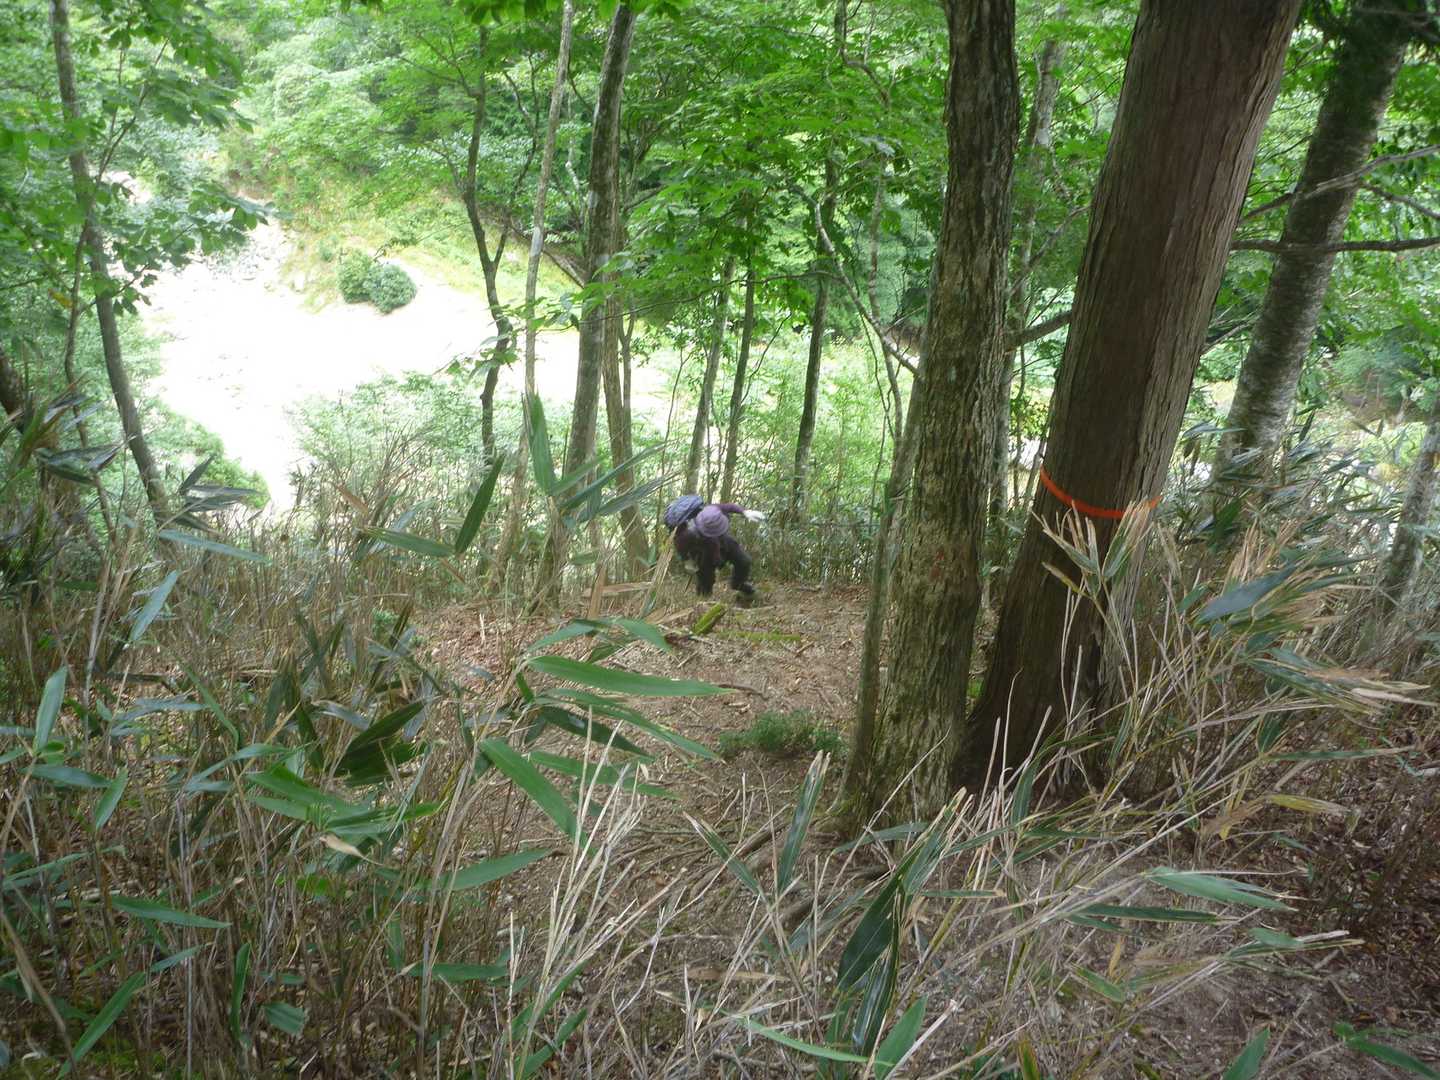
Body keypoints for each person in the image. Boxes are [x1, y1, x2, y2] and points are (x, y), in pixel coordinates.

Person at [663, 495, 766, 597]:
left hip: (723, 540)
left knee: (743, 561)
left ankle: (738, 584)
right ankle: (703, 599)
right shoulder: (687, 534)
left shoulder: (712, 510)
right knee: (706, 581)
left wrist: (745, 512)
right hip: (703, 551)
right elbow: (680, 546)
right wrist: (687, 561)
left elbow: (729, 506)